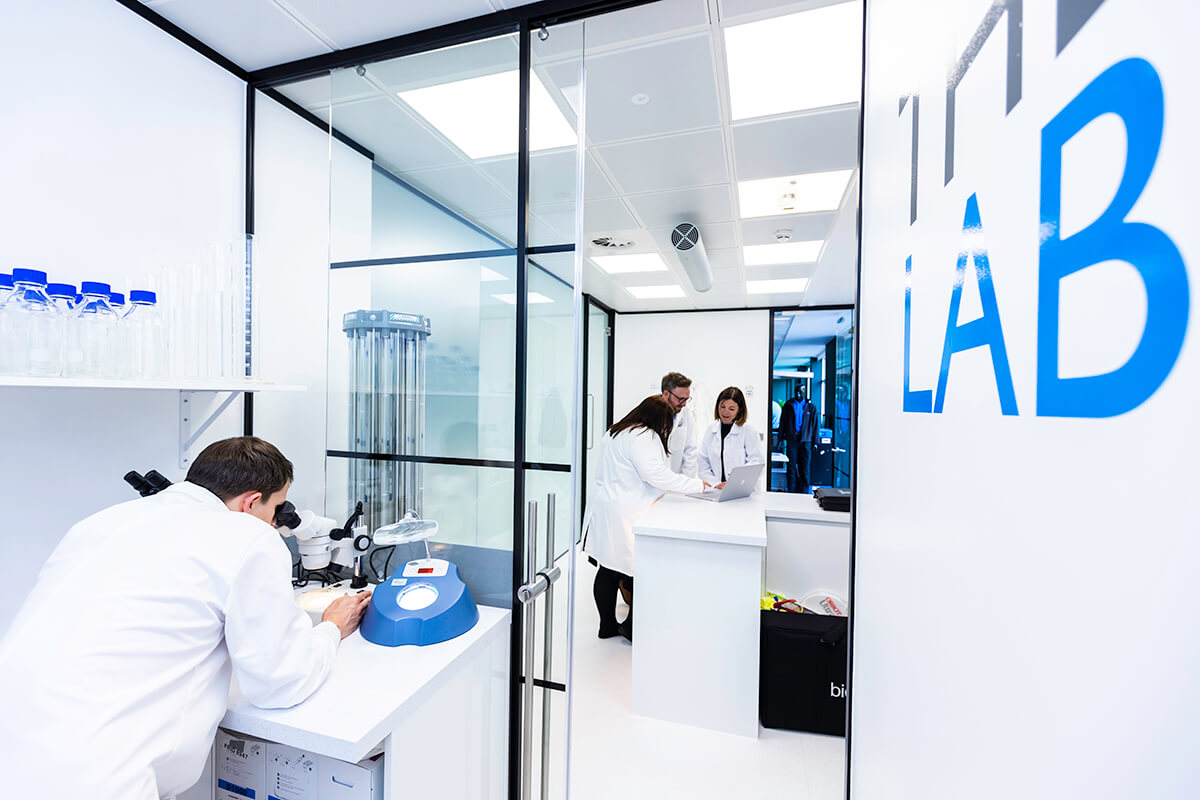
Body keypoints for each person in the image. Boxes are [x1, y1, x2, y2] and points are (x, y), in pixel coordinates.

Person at [0, 436, 372, 800]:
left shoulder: (101, 521)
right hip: (95, 773)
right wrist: (330, 629)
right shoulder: (248, 535)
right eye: (276, 510)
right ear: (252, 502)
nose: (275, 523)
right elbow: (280, 682)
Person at [583, 396, 708, 641]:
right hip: (626, 512)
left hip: (606, 507)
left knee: (607, 569)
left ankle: (607, 625)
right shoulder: (644, 436)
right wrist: (698, 486)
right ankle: (631, 628)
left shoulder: (616, 431)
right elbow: (657, 476)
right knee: (639, 571)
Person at [697, 386, 765, 486]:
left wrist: (734, 481)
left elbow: (757, 462)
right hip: (716, 489)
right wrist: (715, 484)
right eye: (722, 406)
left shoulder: (748, 431)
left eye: (731, 409)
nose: (725, 412)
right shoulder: (711, 430)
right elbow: (703, 463)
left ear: (739, 410)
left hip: (742, 489)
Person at [779, 386, 818, 493]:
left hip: (806, 440)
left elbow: (815, 425)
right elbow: (783, 422)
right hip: (792, 439)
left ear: (804, 393)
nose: (798, 394)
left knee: (805, 468)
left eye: (800, 392)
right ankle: (791, 491)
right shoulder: (788, 405)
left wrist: (815, 441)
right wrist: (780, 438)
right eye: (796, 392)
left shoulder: (810, 407)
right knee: (791, 467)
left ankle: (804, 492)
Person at [660, 371, 698, 476]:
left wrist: (686, 481)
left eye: (686, 399)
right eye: (681, 399)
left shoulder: (685, 413)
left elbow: (690, 450)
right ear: (666, 394)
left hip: (678, 483)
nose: (684, 404)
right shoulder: (650, 413)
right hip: (654, 483)